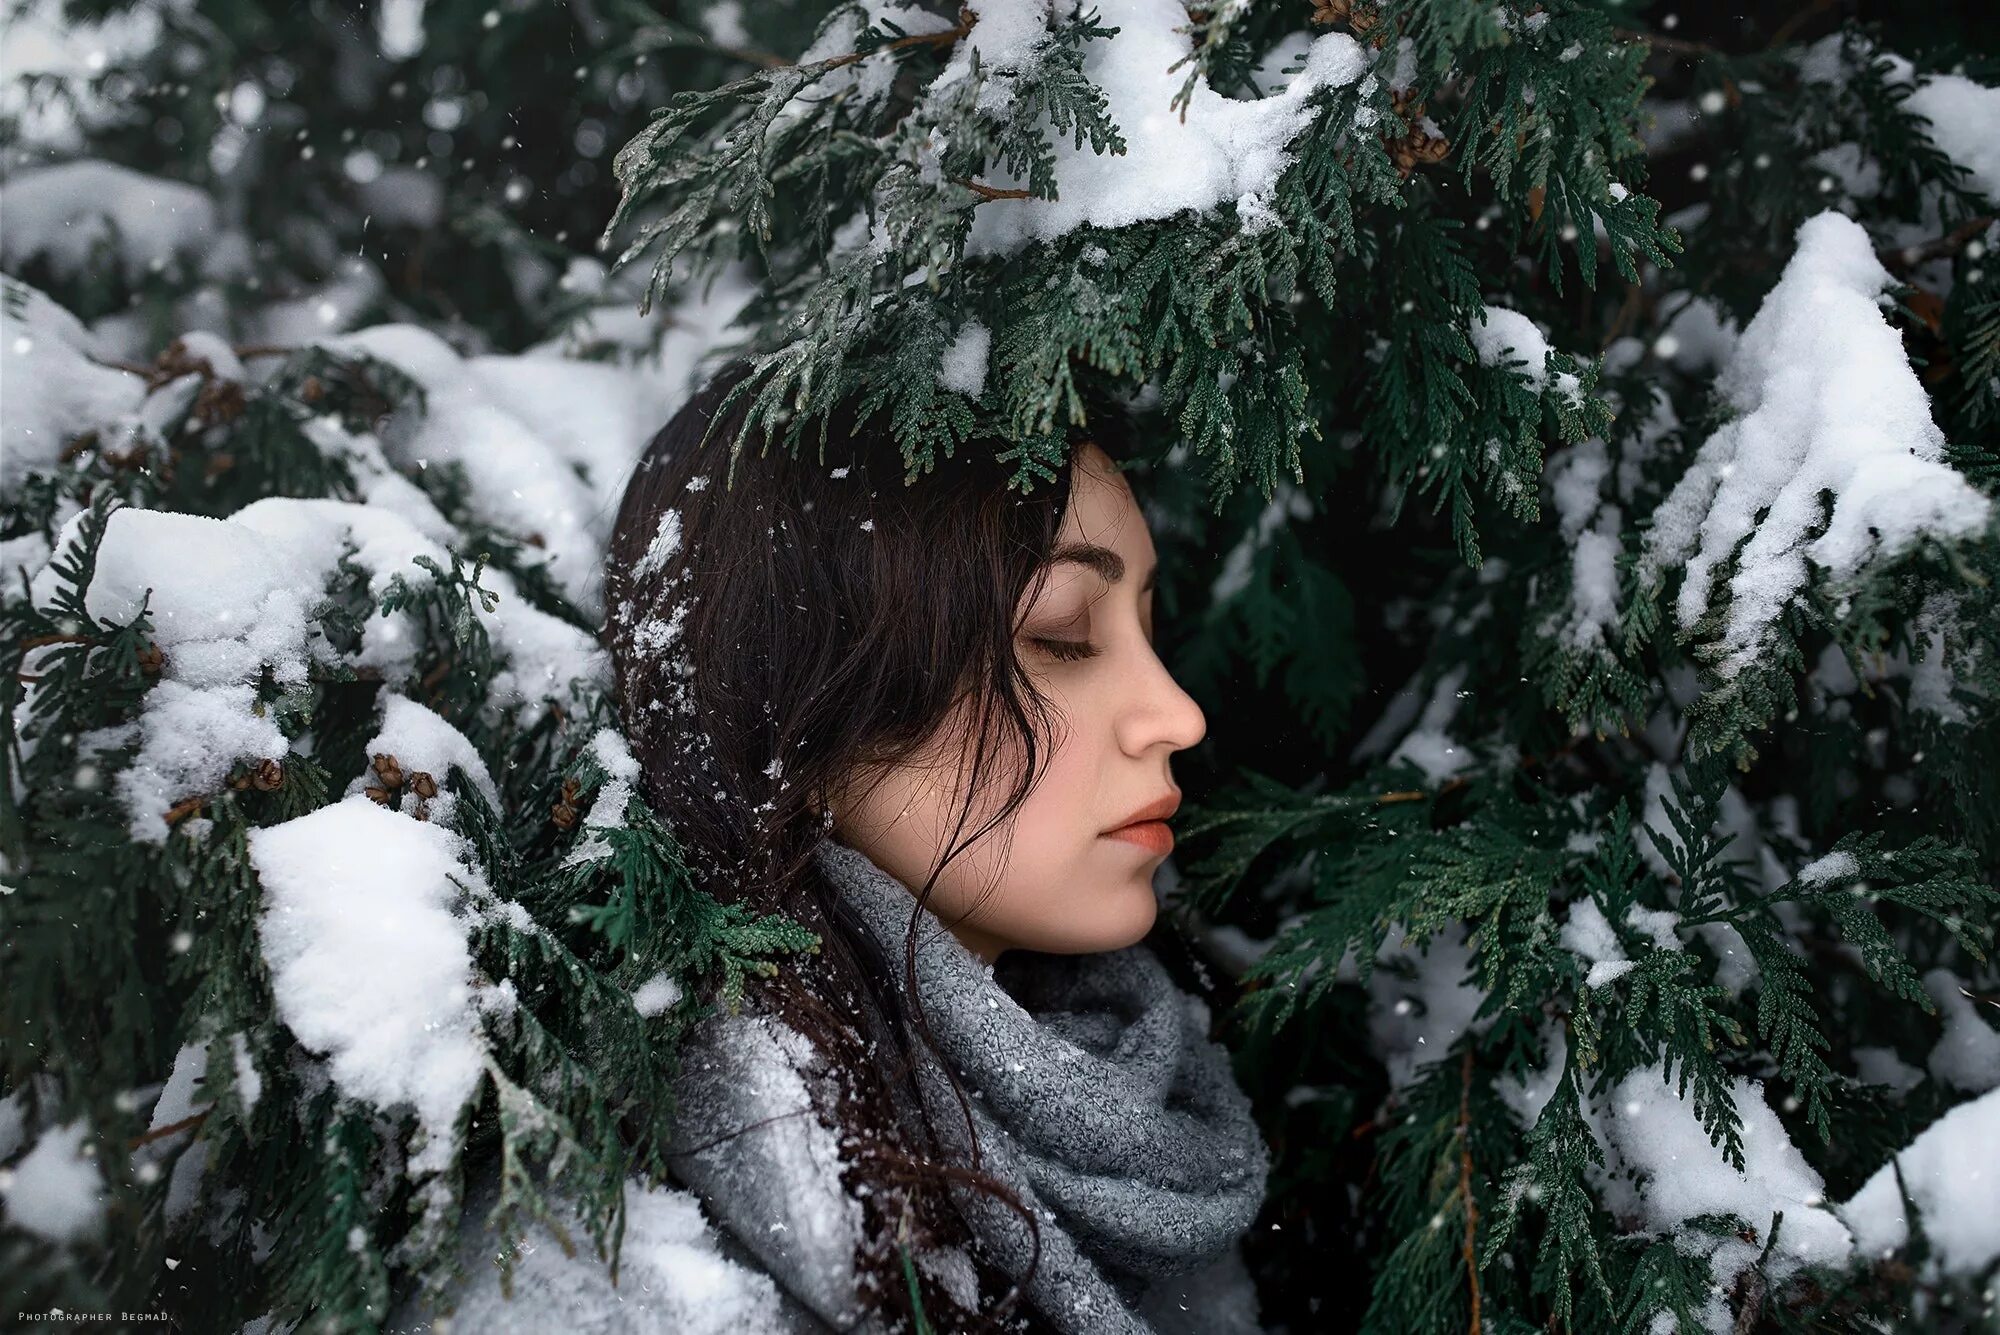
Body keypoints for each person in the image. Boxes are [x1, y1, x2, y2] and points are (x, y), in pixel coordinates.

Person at [393, 360, 1272, 1333]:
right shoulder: (598, 1287)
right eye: (1063, 634)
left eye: (1149, 627)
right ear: (799, 716)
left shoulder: (1148, 1116)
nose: (1176, 715)